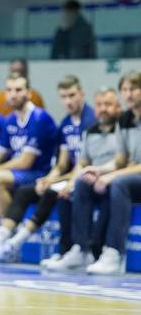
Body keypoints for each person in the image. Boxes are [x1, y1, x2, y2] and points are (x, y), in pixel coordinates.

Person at [0, 76, 97, 262]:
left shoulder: (90, 121)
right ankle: (5, 237)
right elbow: (62, 163)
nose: (68, 101)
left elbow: (83, 163)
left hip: (85, 175)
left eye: (72, 95)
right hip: (65, 176)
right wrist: (50, 178)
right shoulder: (66, 123)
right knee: (25, 192)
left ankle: (18, 244)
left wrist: (61, 181)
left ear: (82, 94)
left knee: (52, 192)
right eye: (64, 96)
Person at [56, 71, 141, 274]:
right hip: (133, 176)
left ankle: (114, 253)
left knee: (119, 184)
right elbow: (120, 160)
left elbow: (123, 170)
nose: (129, 94)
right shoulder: (125, 119)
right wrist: (98, 170)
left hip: (132, 178)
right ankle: (81, 250)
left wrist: (112, 176)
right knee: (83, 181)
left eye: (134, 89)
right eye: (125, 89)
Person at [44, 87, 121, 270]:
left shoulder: (122, 128)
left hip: (112, 178)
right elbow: (82, 163)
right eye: (100, 104)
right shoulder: (90, 131)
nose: (103, 108)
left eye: (108, 104)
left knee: (109, 191)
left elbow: (122, 161)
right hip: (91, 178)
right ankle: (79, 250)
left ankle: (100, 251)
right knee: (70, 190)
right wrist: (71, 182)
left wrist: (102, 174)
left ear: (117, 107)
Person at [0, 74, 58, 219]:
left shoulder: (39, 118)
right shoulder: (10, 120)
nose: (13, 95)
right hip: (15, 172)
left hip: (38, 173)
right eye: (9, 90)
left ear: (29, 93)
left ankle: (7, 230)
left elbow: (25, 162)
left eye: (18, 90)